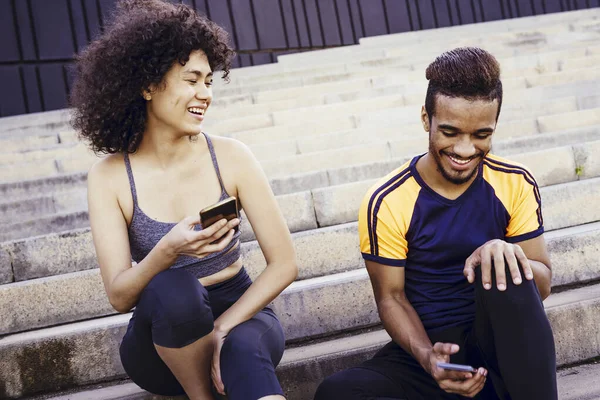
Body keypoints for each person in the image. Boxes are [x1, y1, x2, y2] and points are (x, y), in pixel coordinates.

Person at [70, 1, 297, 399]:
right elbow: (120, 296)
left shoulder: (231, 156)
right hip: (161, 333)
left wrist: (223, 327)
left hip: (240, 311)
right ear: (147, 85)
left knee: (242, 349)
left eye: (209, 81)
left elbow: (285, 264)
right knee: (175, 288)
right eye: (192, 79)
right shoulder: (109, 177)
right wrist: (167, 251)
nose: (204, 94)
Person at [314, 47, 557, 400]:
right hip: (430, 354)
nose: (464, 149)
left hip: (501, 350)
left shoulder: (515, 182)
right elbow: (391, 298)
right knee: (339, 392)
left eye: (481, 135)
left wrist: (504, 252)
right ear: (426, 119)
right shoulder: (387, 199)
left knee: (507, 263)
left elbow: (544, 283)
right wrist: (428, 357)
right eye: (450, 131)